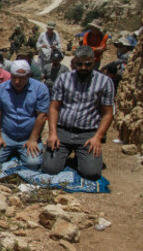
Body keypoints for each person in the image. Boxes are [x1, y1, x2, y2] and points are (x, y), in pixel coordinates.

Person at [42, 46, 115, 180]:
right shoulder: (63, 79)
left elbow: (107, 113)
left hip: (88, 134)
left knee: (91, 173)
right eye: (79, 64)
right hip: (63, 131)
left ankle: (81, 157)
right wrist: (52, 133)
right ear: (74, 62)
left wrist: (97, 137)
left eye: (87, 64)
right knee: (49, 169)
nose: (83, 68)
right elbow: (54, 107)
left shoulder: (105, 82)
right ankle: (67, 155)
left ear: (93, 61)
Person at [0, 60, 50, 169]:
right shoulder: (1, 89)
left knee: (33, 163)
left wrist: (33, 139)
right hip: (7, 134)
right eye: (14, 77)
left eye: (21, 78)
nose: (17, 81)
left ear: (28, 75)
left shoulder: (40, 89)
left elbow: (42, 115)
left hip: (28, 136)